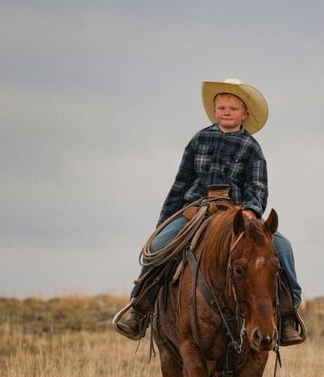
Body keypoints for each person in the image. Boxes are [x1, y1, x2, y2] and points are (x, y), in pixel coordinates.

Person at [114, 78, 305, 346]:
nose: (226, 112)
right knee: (158, 245)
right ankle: (139, 308)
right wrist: (163, 222)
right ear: (214, 111)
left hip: (238, 215)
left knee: (282, 247)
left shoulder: (251, 147)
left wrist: (251, 211)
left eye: (233, 108)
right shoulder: (199, 140)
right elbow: (180, 184)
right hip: (197, 210)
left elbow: (258, 186)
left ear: (245, 113)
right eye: (222, 107)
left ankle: (287, 313)